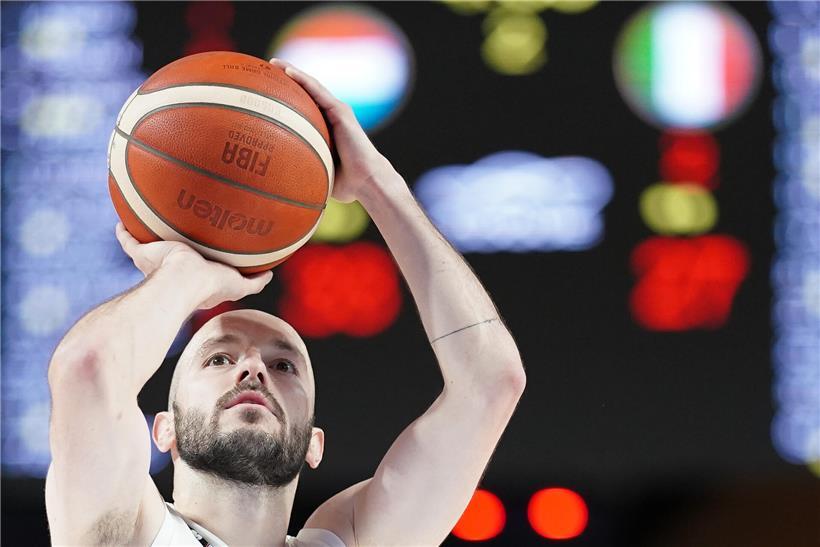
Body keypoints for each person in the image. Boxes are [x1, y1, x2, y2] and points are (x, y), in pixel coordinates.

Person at [45, 58, 526, 547]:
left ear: (313, 443)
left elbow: (491, 383)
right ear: (162, 431)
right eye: (218, 357)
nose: (253, 366)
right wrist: (184, 276)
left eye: (285, 366)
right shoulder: (124, 526)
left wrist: (378, 185)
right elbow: (86, 370)